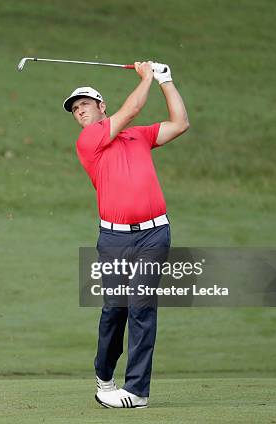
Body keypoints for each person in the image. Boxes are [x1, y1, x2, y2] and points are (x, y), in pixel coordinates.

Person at [63, 61, 189, 409]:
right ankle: (104, 374)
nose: (80, 112)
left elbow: (180, 123)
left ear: (101, 106)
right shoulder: (89, 140)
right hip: (114, 239)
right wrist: (146, 75)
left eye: (85, 104)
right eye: (75, 109)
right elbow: (132, 107)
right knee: (114, 310)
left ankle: (137, 391)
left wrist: (166, 79)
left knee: (142, 309)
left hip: (154, 234)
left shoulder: (139, 135)